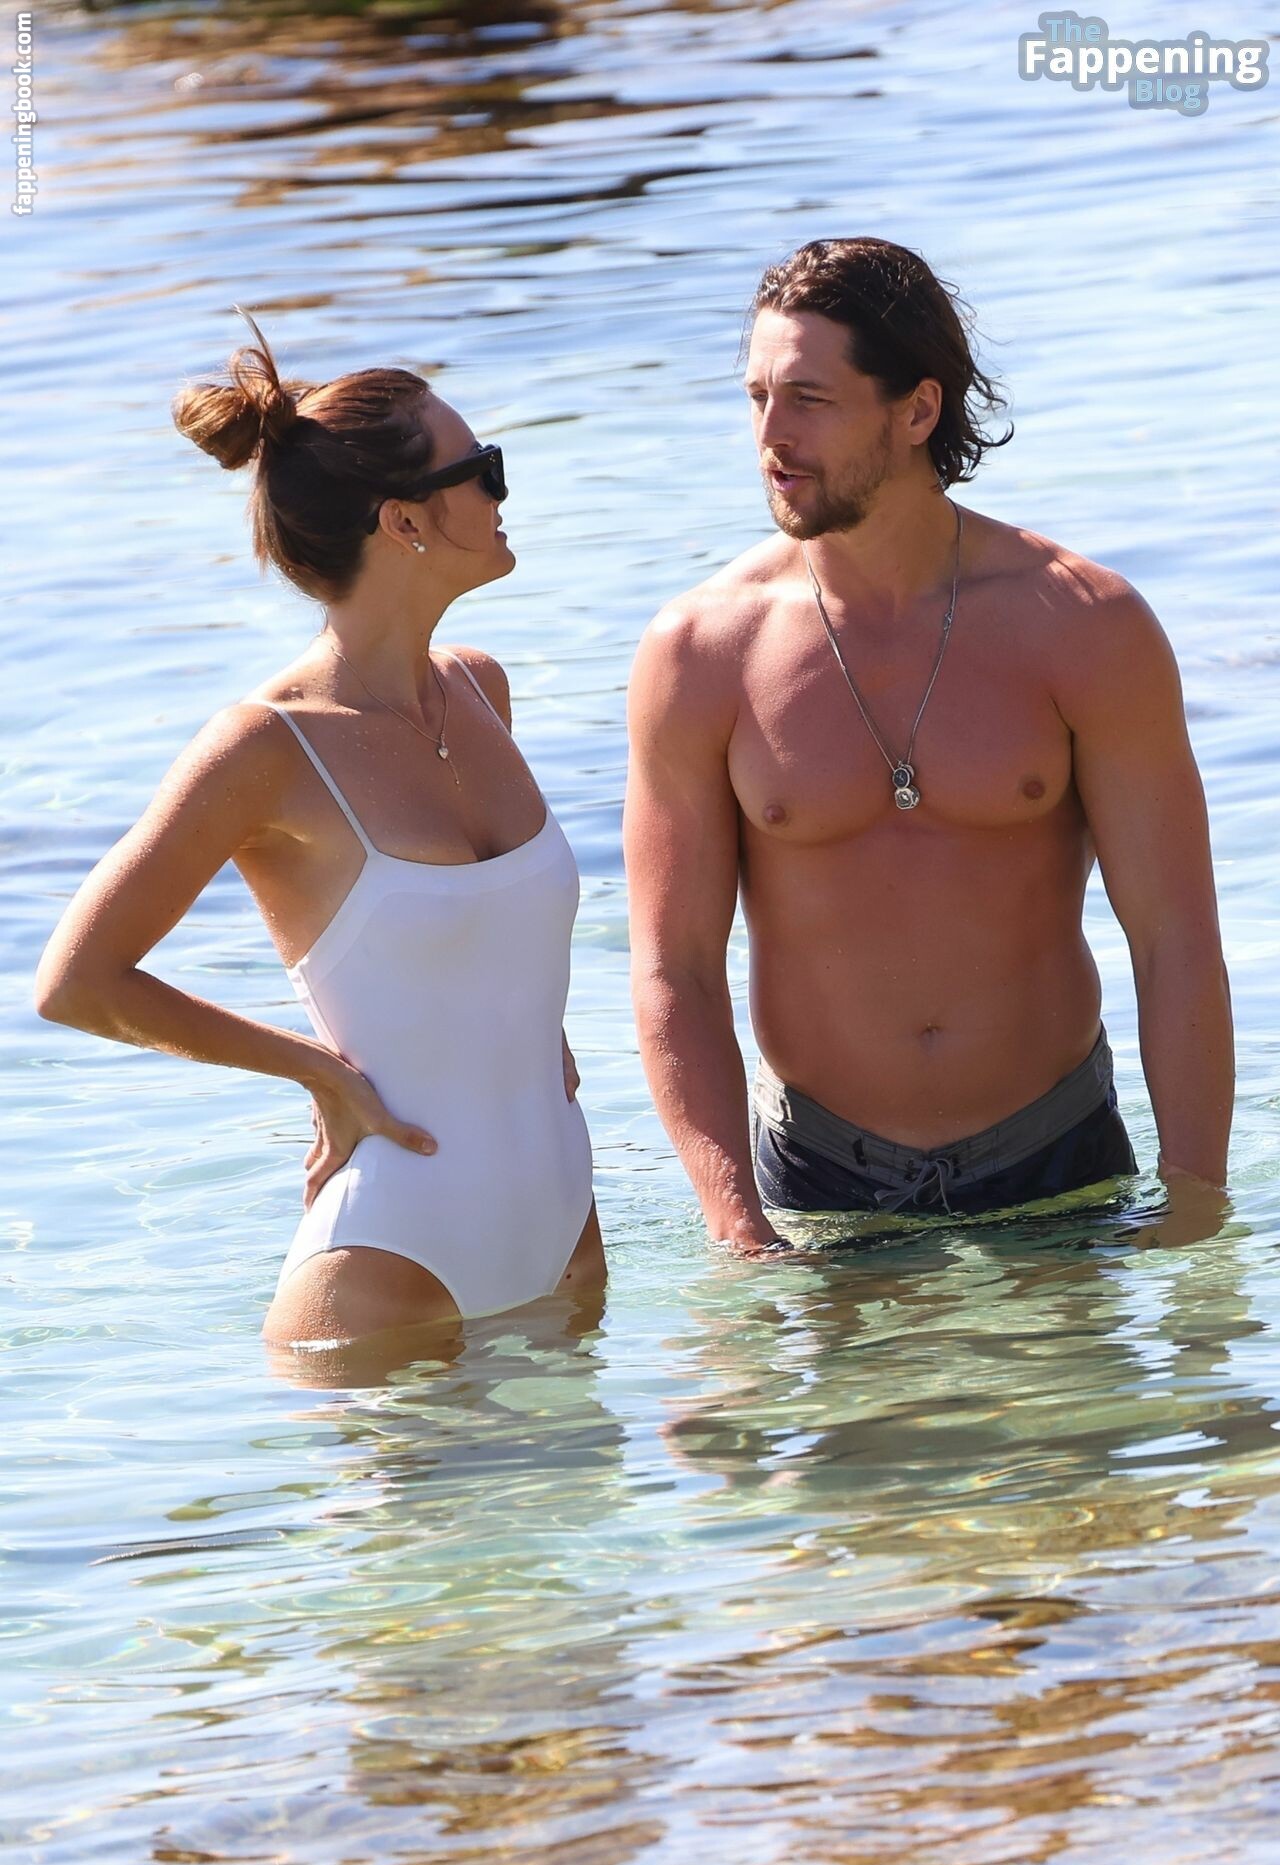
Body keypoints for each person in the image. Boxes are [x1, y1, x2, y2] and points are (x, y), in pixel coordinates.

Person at [624, 237, 1233, 1253]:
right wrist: (735, 1224)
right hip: (816, 1178)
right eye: (756, 397)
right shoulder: (700, 651)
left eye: (808, 399)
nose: (769, 436)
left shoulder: (1082, 624)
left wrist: (1194, 1202)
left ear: (916, 411)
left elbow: (1173, 940)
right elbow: (672, 968)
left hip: (1056, 1156)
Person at [36, 311, 605, 1342]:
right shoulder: (265, 747)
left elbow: (484, 953)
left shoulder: (481, 690)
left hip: (564, 1231)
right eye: (482, 470)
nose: (501, 492)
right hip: (392, 1261)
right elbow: (77, 982)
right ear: (404, 522)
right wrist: (316, 1071)